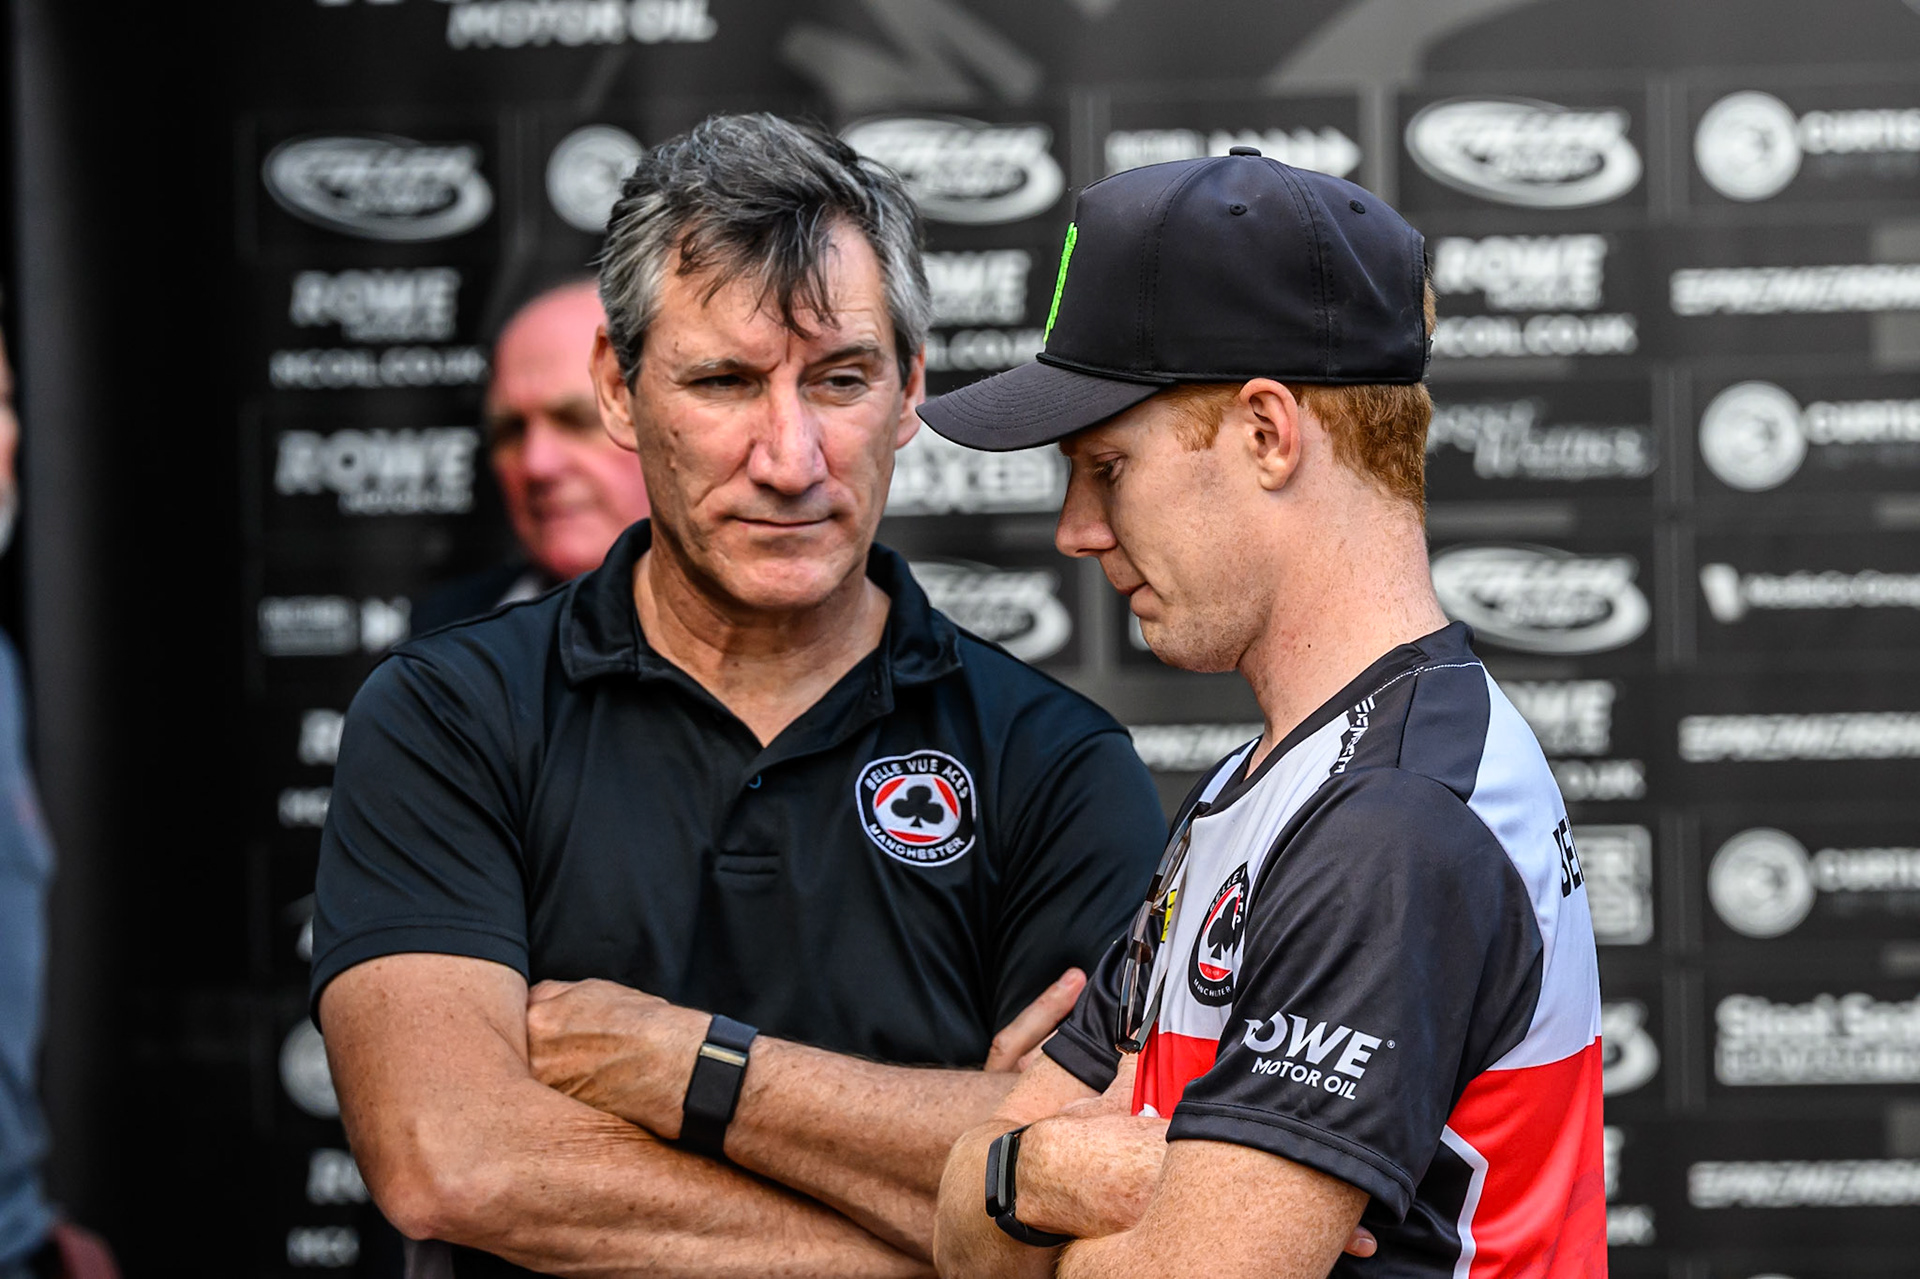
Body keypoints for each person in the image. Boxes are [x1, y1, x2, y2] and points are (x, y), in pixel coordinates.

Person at [310, 113, 1169, 1278]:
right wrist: (953, 1212)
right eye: (722, 381)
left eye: (842, 379)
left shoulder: (1054, 763)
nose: (791, 456)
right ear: (618, 390)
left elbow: (1099, 1167)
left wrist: (686, 1066)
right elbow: (454, 1158)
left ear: (912, 387)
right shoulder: (450, 715)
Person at [922, 149, 1606, 1277]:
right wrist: (1024, 1174)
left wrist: (1020, 1183)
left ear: (1267, 433)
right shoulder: (1265, 783)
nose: (1075, 530)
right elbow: (962, 1223)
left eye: (1106, 467)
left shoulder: (1391, 817)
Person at [411, 280, 652, 633]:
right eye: (510, 430)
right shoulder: (445, 631)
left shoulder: (754, 639)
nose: (536, 464)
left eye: (580, 420)